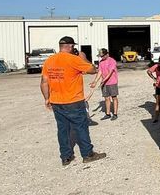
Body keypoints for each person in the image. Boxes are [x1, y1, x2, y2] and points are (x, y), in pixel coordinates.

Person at [40, 36, 107, 165]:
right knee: (81, 127)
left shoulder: (50, 60)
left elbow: (44, 81)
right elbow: (93, 70)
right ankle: (87, 154)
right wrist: (83, 57)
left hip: (56, 101)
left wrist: (47, 98)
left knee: (62, 129)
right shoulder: (74, 59)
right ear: (70, 46)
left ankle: (66, 156)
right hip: (73, 100)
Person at [91, 48, 119, 120]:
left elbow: (110, 73)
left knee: (114, 97)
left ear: (107, 54)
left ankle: (115, 114)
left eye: (103, 56)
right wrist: (95, 81)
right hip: (104, 83)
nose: (102, 57)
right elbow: (100, 72)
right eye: (101, 56)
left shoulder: (112, 61)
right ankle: (108, 113)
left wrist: (104, 80)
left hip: (112, 82)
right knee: (106, 98)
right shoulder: (101, 62)